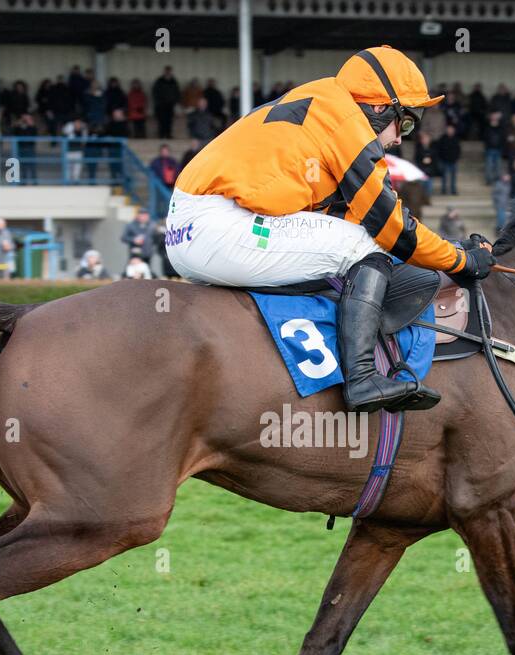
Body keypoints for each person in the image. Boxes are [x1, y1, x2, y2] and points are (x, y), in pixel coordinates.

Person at [166, 46, 492, 414]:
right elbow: (391, 229)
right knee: (365, 250)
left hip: (195, 226)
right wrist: (460, 261)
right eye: (407, 123)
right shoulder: (346, 123)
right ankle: (363, 379)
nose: (401, 138)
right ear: (382, 107)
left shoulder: (323, 98)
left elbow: (350, 216)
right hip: (221, 227)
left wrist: (444, 248)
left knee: (353, 243)